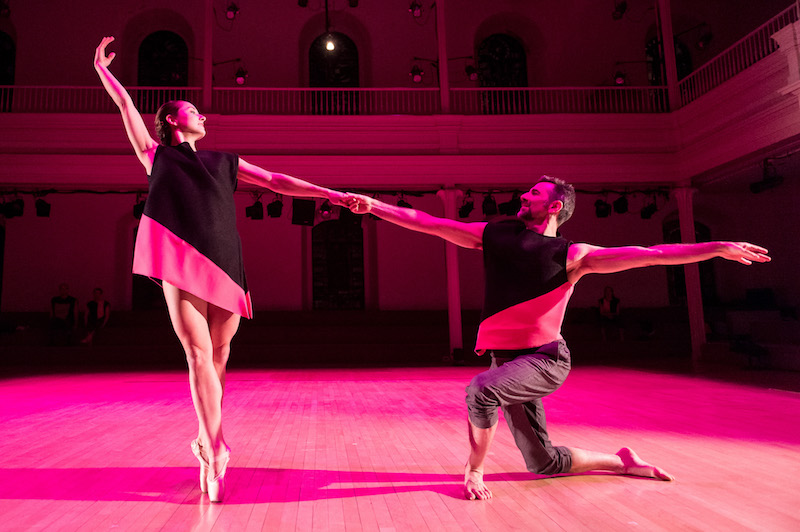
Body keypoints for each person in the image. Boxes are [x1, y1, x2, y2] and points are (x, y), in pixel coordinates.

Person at [347, 176, 770, 500]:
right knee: (543, 462)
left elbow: (651, 254)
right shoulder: (496, 235)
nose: (523, 197)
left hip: (545, 360)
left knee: (480, 391)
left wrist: (716, 246)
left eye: (533, 193)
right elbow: (430, 223)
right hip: (506, 361)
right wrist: (374, 207)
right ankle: (621, 460)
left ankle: (473, 470)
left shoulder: (574, 255)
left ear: (553, 205)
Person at [94, 36, 354, 502]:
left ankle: (202, 438)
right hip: (179, 257)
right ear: (173, 120)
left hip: (225, 262)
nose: (204, 116)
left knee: (218, 358)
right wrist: (102, 69)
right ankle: (215, 448)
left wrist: (328, 194)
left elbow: (276, 181)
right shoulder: (156, 156)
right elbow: (125, 106)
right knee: (197, 356)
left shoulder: (224, 162)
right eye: (195, 111)